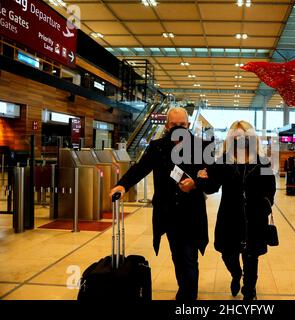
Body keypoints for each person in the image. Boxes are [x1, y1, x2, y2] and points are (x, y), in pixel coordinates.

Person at [109, 107, 210, 301]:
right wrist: (122, 185)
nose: (178, 128)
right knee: (177, 256)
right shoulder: (158, 147)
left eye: (182, 125)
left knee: (189, 258)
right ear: (167, 125)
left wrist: (197, 182)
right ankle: (184, 289)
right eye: (174, 125)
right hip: (169, 212)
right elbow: (140, 168)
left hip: (192, 214)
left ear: (188, 125)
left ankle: (188, 298)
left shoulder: (202, 147)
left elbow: (213, 178)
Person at [197, 120, 276, 301]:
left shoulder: (262, 163)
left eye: (245, 135)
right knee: (228, 255)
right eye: (237, 135)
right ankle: (236, 274)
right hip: (229, 216)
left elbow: (269, 187)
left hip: (254, 217)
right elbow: (212, 187)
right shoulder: (222, 162)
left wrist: (266, 203)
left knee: (251, 257)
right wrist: (202, 179)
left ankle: (249, 291)